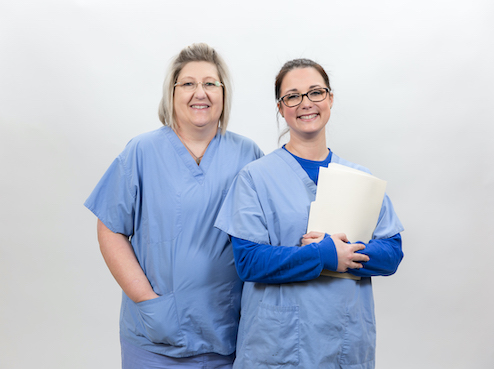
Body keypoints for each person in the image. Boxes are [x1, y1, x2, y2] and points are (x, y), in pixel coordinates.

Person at [215, 58, 404, 368]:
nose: (306, 103)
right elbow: (249, 262)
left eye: (316, 92)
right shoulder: (255, 178)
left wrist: (344, 255)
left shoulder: (359, 179)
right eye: (293, 96)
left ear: (330, 98)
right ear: (281, 107)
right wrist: (324, 256)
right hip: (276, 345)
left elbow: (391, 253)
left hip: (345, 342)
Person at [84, 43, 263, 369]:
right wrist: (146, 300)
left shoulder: (247, 155)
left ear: (224, 94)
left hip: (226, 335)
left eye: (210, 83)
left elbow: (267, 233)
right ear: (172, 92)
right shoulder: (142, 151)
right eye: (189, 83)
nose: (201, 92)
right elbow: (110, 228)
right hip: (154, 338)